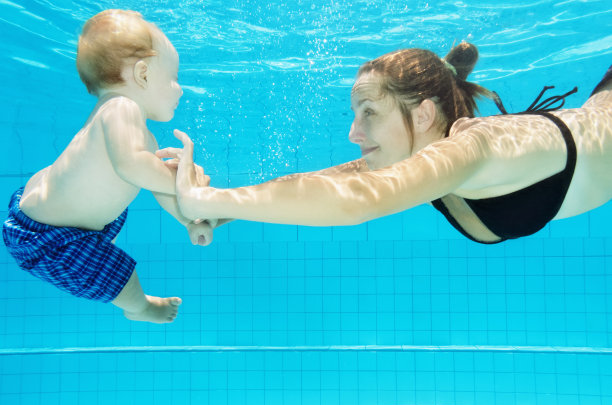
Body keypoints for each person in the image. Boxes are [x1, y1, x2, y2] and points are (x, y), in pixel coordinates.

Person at [164, 42, 612, 243]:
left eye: (369, 113)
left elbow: (355, 202)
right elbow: (328, 182)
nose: (352, 133)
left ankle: (455, 68)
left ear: (423, 115)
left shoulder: (476, 148)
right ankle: (454, 68)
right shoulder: (421, 153)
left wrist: (201, 195)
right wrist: (224, 208)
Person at [2, 10, 213, 324]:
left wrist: (188, 219)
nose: (180, 89)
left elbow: (154, 182)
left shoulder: (139, 133)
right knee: (119, 277)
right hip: (47, 236)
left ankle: (107, 250)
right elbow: (132, 166)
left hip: (56, 215)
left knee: (139, 183)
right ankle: (139, 308)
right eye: (174, 78)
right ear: (142, 74)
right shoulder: (121, 108)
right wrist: (184, 183)